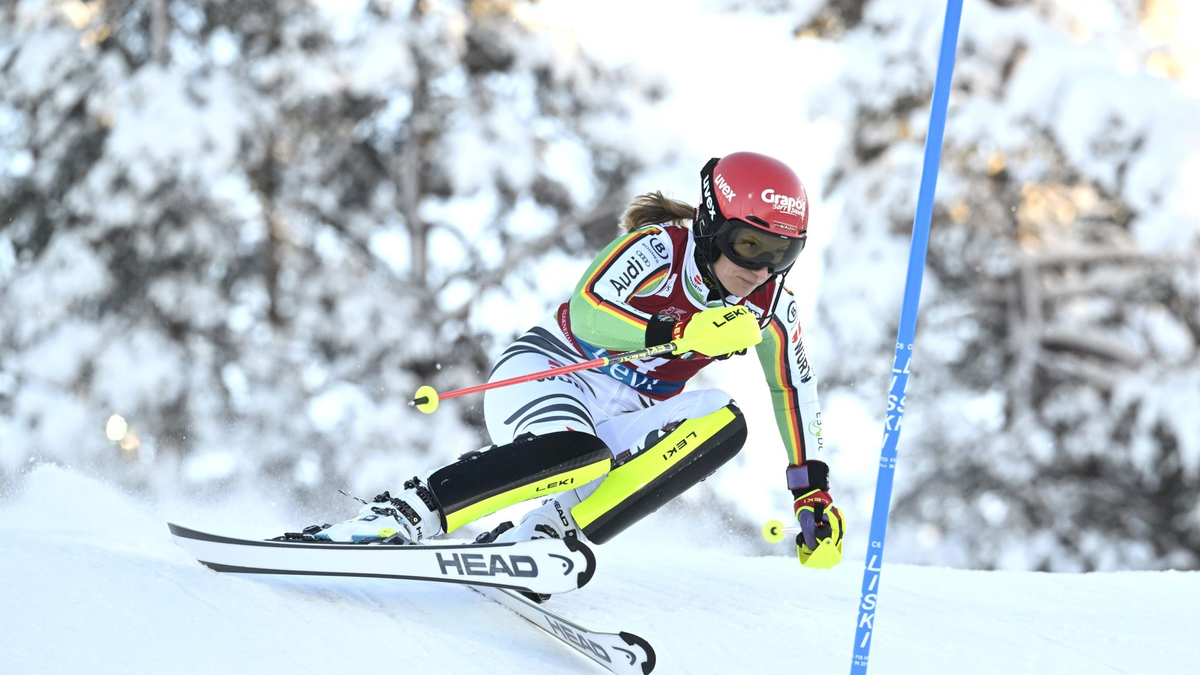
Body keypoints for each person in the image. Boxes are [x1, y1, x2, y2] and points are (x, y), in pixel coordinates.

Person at [314, 151, 844, 575]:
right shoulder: (659, 250)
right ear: (712, 225)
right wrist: (676, 331)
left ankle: (545, 536)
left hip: (626, 415)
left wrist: (811, 490)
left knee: (724, 422)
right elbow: (590, 311)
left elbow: (794, 389)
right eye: (749, 245)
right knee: (579, 454)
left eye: (783, 253)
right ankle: (405, 512)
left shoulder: (771, 302)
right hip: (551, 373)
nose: (761, 269)